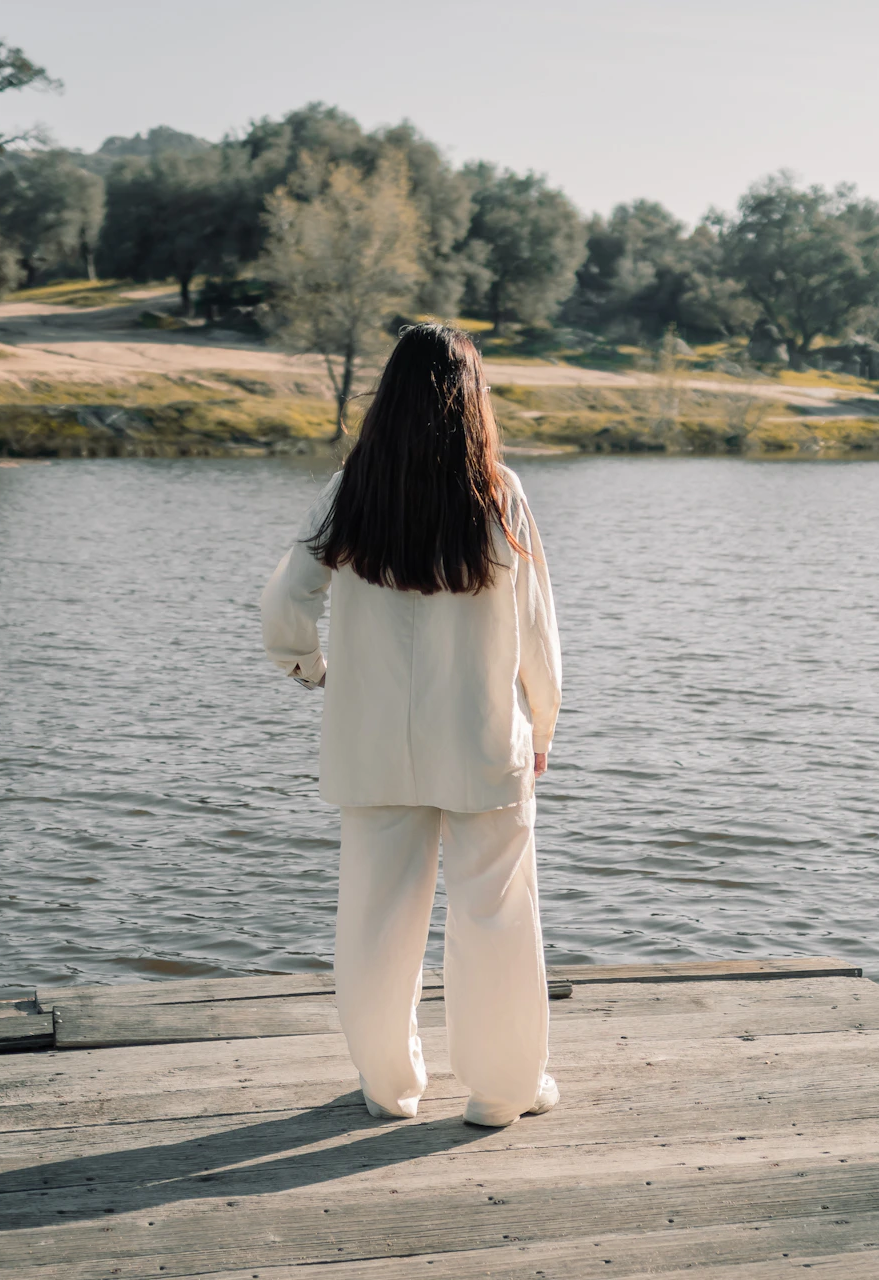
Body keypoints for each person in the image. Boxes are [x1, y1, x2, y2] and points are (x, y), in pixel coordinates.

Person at [260, 323, 562, 1129]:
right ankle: (501, 1093)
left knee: (375, 918)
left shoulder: (350, 490)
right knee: (495, 914)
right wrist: (543, 720)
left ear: (385, 397)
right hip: (482, 737)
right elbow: (535, 624)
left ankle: (389, 1088)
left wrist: (315, 671)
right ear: (474, 402)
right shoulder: (499, 490)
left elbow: (285, 605)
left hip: (373, 745)